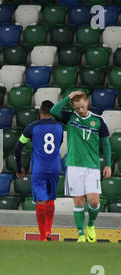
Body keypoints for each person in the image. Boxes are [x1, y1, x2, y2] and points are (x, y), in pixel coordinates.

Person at [50, 91, 112, 243]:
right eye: (77, 108)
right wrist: (68, 97)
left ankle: (90, 224)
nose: (81, 110)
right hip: (74, 165)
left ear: (87, 103)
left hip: (92, 166)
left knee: (94, 201)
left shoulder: (98, 120)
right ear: (73, 107)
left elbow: (106, 143)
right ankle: (81, 235)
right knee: (78, 201)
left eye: (82, 107)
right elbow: (53, 111)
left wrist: (108, 164)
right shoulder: (70, 117)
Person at [14, 101, 63, 241]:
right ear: (52, 111)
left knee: (41, 201)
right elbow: (58, 145)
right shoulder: (59, 127)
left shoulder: (31, 127)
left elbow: (17, 148)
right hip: (54, 168)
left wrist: (19, 168)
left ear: (40, 111)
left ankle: (43, 236)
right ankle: (49, 231)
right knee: (51, 200)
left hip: (39, 169)